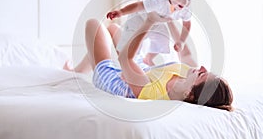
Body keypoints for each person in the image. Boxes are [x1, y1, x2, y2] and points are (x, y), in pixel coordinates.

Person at [72, 12, 233, 111]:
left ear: (189, 94)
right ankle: (79, 69)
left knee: (93, 24)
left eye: (202, 74)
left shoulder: (154, 93)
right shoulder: (186, 77)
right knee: (113, 29)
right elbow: (185, 52)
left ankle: (86, 67)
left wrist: (148, 22)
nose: (202, 67)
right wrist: (169, 19)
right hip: (142, 71)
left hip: (118, 83)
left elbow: (125, 58)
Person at [106, 0, 195, 66]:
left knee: (163, 40)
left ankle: (148, 58)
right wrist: (121, 12)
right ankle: (124, 60)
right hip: (139, 19)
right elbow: (138, 6)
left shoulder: (184, 8)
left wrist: (181, 41)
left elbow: (187, 24)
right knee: (132, 46)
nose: (185, 3)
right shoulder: (158, 1)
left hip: (157, 22)